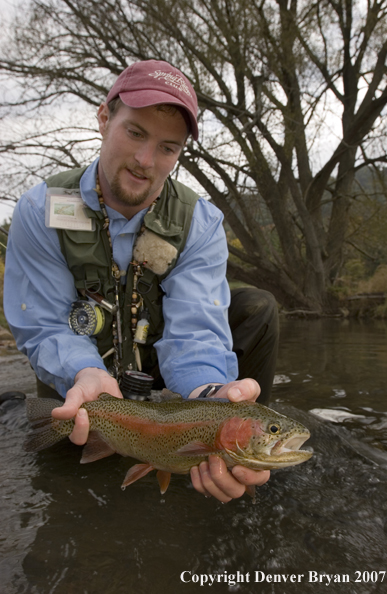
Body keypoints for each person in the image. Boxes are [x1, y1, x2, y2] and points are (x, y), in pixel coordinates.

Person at [4, 60, 279, 503]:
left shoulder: (201, 223)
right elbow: (44, 323)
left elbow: (196, 329)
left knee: (257, 307)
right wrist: (83, 371)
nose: (146, 161)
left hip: (161, 373)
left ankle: (240, 461)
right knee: (64, 487)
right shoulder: (42, 210)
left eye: (168, 147)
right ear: (103, 117)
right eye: (134, 133)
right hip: (79, 379)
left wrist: (210, 396)